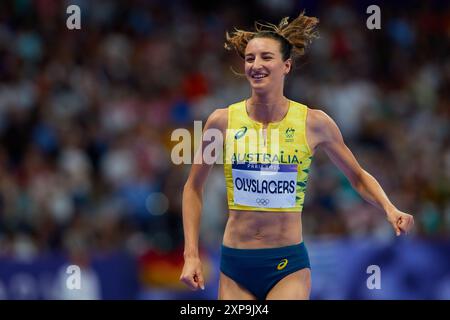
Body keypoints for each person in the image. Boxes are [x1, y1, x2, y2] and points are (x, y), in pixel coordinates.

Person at [179, 12, 414, 300]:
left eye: (266, 57)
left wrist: (390, 209)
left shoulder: (314, 123)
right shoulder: (221, 121)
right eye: (250, 58)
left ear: (286, 65)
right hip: (235, 264)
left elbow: (358, 177)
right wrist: (191, 254)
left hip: (287, 265)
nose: (256, 65)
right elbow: (193, 188)